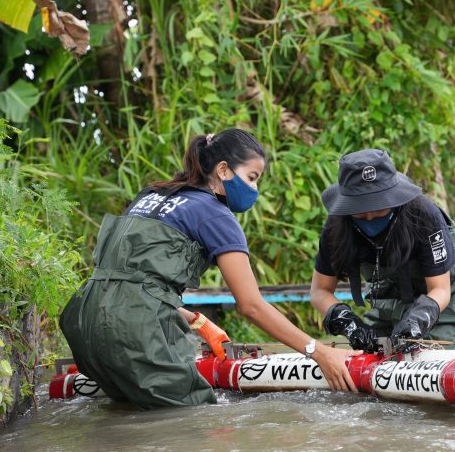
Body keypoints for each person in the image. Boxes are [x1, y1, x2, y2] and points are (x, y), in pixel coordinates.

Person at [60, 129, 360, 409]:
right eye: (252, 177)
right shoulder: (214, 214)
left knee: (127, 419)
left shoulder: (150, 196)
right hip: (133, 332)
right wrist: (320, 352)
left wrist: (197, 321)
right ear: (223, 170)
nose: (254, 189)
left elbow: (127, 283)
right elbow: (251, 305)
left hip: (83, 322)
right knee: (195, 426)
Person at [310, 148, 455, 352]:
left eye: (378, 209)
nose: (369, 217)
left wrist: (418, 319)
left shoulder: (424, 215)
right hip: (394, 296)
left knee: (435, 353)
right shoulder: (336, 226)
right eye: (360, 212)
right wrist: (347, 321)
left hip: (450, 290)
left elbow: (441, 289)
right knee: (375, 352)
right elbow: (319, 291)